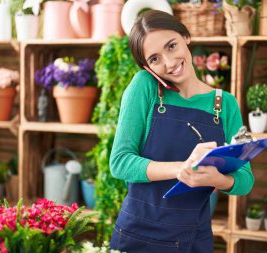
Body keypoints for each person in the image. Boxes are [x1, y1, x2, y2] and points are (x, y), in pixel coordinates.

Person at [109, 10, 254, 253]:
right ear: (147, 67)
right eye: (155, 59)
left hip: (195, 239)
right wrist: (182, 168)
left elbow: (245, 179)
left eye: (172, 46)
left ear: (185, 36)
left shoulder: (225, 104)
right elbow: (120, 162)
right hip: (138, 235)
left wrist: (218, 179)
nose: (169, 62)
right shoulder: (145, 87)